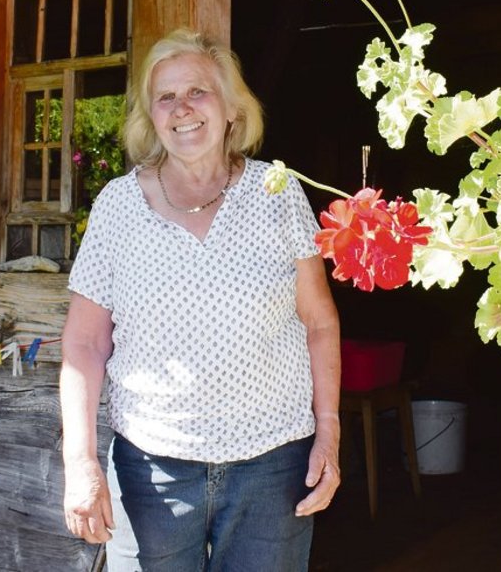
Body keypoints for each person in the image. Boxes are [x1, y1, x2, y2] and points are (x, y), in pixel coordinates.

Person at [59, 28, 341, 571]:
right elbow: (84, 343)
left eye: (198, 92)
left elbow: (319, 322)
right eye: (165, 97)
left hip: (274, 463)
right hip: (152, 469)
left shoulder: (277, 194)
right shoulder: (118, 206)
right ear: (151, 117)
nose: (181, 108)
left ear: (232, 109)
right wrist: (81, 462)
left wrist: (328, 430)